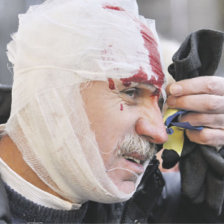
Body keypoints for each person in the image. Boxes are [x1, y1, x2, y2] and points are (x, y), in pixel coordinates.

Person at [0, 0, 224, 223]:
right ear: (50, 94)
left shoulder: (150, 202)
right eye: (131, 92)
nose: (159, 134)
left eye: (159, 105)